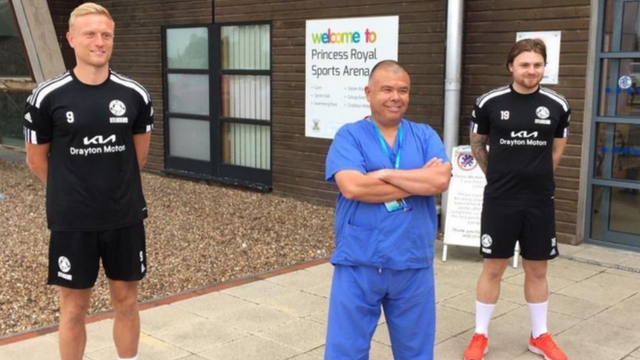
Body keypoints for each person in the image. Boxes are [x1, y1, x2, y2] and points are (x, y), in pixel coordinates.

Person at [23, 3, 153, 360]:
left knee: (126, 301)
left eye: (106, 34)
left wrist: (112, 187)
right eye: (90, 34)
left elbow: (137, 157)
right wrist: (73, 190)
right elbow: (36, 160)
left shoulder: (135, 95)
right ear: (70, 39)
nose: (99, 41)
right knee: (73, 309)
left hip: (124, 217)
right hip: (73, 222)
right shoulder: (47, 96)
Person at [324, 60, 451, 360]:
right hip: (360, 259)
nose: (396, 96)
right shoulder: (350, 135)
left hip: (413, 262)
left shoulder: (424, 135)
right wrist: (418, 179)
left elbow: (441, 179)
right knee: (346, 350)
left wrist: (384, 174)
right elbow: (353, 187)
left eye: (403, 90)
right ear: (368, 93)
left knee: (416, 351)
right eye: (387, 89)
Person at [463, 38, 570, 360]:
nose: (531, 71)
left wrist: (538, 175)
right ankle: (480, 335)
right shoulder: (489, 102)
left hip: (539, 200)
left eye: (537, 65)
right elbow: (477, 143)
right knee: (493, 267)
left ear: (544, 67)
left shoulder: (557, 105)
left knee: (537, 269)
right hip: (500, 199)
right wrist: (497, 176)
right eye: (525, 64)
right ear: (511, 66)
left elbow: (557, 146)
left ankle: (539, 335)